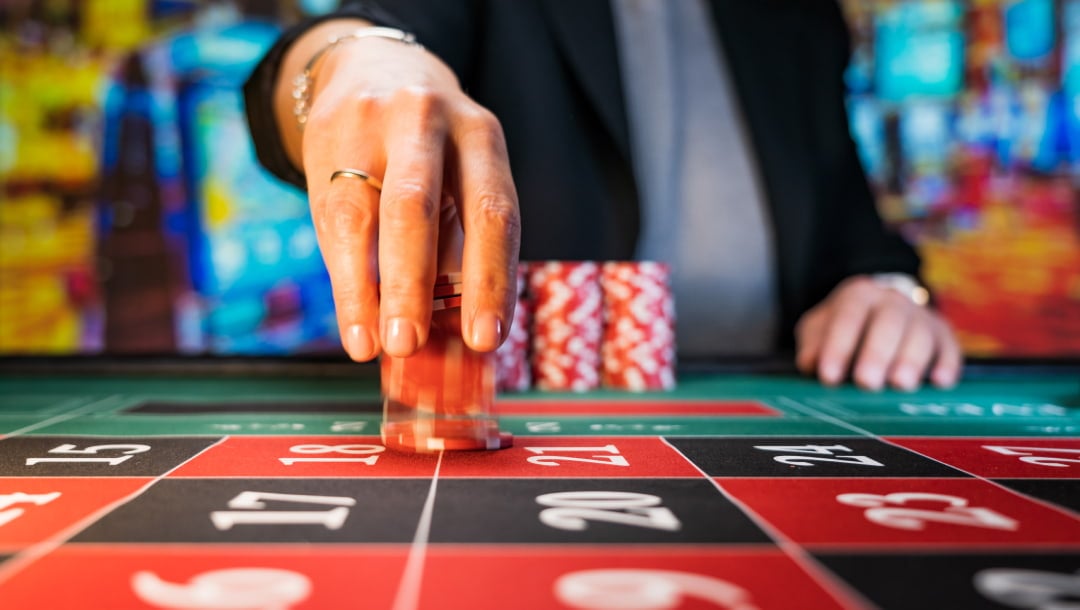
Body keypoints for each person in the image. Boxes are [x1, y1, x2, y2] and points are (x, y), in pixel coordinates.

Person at [243, 0, 963, 391]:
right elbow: (321, 56)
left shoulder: (795, 17)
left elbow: (858, 235)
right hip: (534, 400)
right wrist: (350, 58)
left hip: (768, 393)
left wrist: (891, 288)